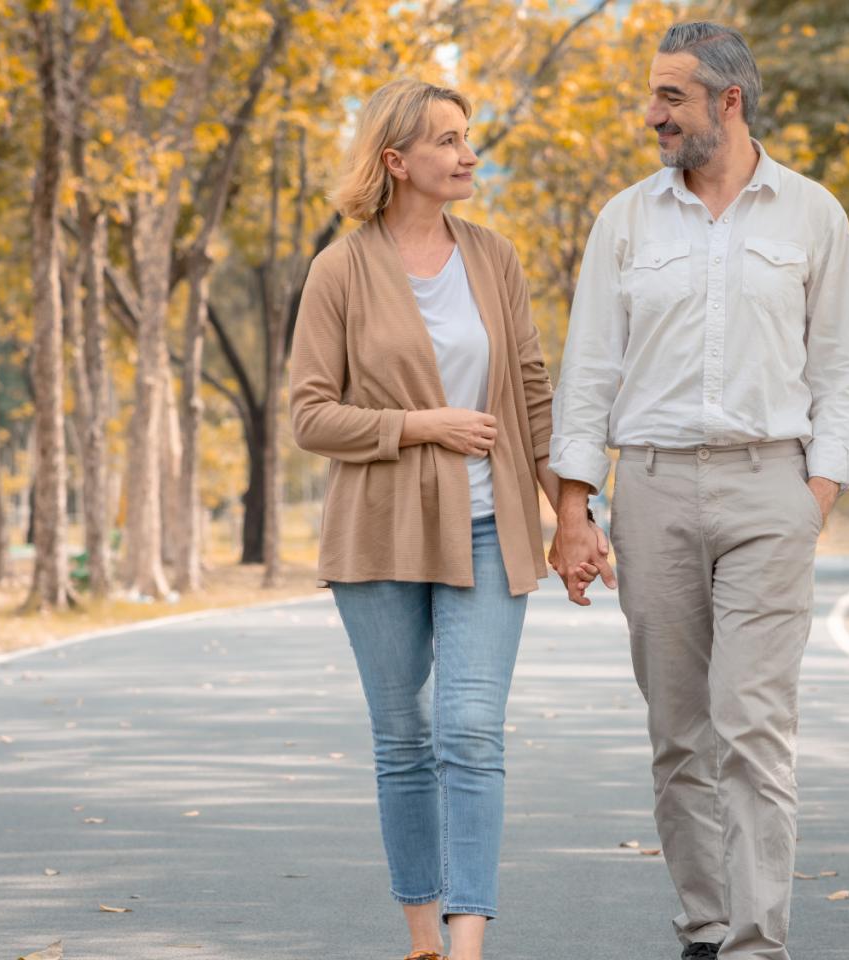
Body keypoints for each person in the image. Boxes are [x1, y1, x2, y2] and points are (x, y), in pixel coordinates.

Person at [549, 22, 849, 960]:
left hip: (770, 487)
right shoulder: (625, 220)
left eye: (671, 98)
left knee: (754, 725)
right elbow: (589, 373)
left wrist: (816, 488)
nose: (652, 115)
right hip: (649, 489)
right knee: (679, 733)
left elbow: (843, 366)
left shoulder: (814, 215)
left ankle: (757, 942)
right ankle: (703, 924)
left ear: (728, 103)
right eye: (653, 96)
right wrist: (576, 507)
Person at [289, 78, 563, 960]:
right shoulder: (340, 268)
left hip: (490, 527)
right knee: (405, 740)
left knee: (471, 730)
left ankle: (469, 941)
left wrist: (574, 512)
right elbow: (309, 415)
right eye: (448, 140)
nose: (468, 153)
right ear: (396, 160)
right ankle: (422, 938)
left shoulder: (495, 257)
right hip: (379, 535)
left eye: (469, 136)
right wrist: (418, 426)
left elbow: (529, 391)